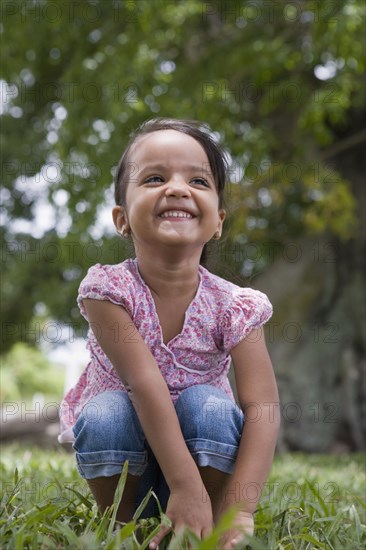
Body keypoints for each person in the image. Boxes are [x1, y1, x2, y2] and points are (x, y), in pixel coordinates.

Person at [59, 118, 280, 549]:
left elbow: (263, 405)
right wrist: (182, 486)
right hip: (130, 465)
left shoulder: (234, 305)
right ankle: (124, 528)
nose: (177, 188)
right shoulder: (109, 291)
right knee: (107, 411)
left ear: (218, 220)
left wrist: (241, 509)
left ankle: (209, 522)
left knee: (209, 405)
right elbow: (144, 386)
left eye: (198, 179)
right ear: (122, 219)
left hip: (204, 468)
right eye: (155, 178)